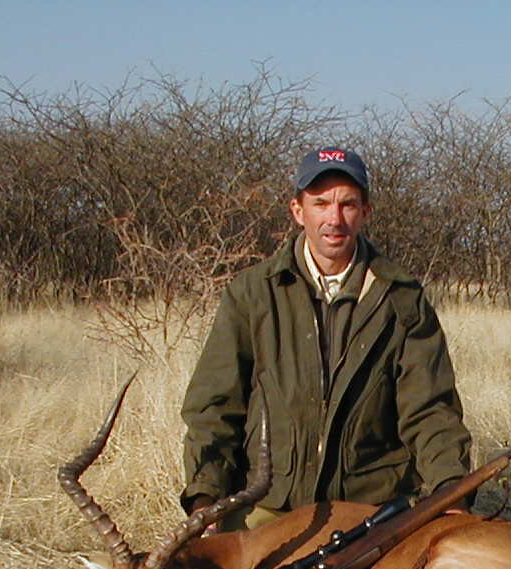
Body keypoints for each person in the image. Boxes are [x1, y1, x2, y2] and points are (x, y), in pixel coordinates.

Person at [180, 147, 471, 529]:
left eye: (347, 204)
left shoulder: (402, 296)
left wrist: (450, 490)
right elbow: (214, 406)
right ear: (298, 211)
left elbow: (430, 410)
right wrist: (206, 497)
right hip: (268, 503)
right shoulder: (252, 292)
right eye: (320, 204)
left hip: (369, 512)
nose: (334, 219)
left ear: (365, 212)